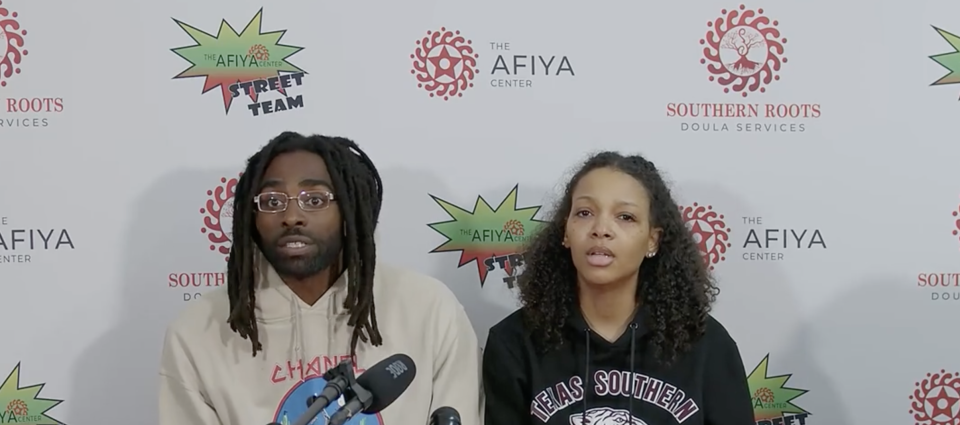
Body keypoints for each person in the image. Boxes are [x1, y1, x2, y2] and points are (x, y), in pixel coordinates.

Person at [159, 132, 481, 425]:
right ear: (251, 217)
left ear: (350, 210)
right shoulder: (196, 333)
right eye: (272, 201)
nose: (291, 217)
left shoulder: (430, 310)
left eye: (315, 199)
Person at [481, 152, 754, 425]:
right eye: (585, 213)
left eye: (625, 217)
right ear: (566, 232)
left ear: (652, 241)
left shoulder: (706, 344)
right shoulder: (514, 343)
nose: (601, 229)